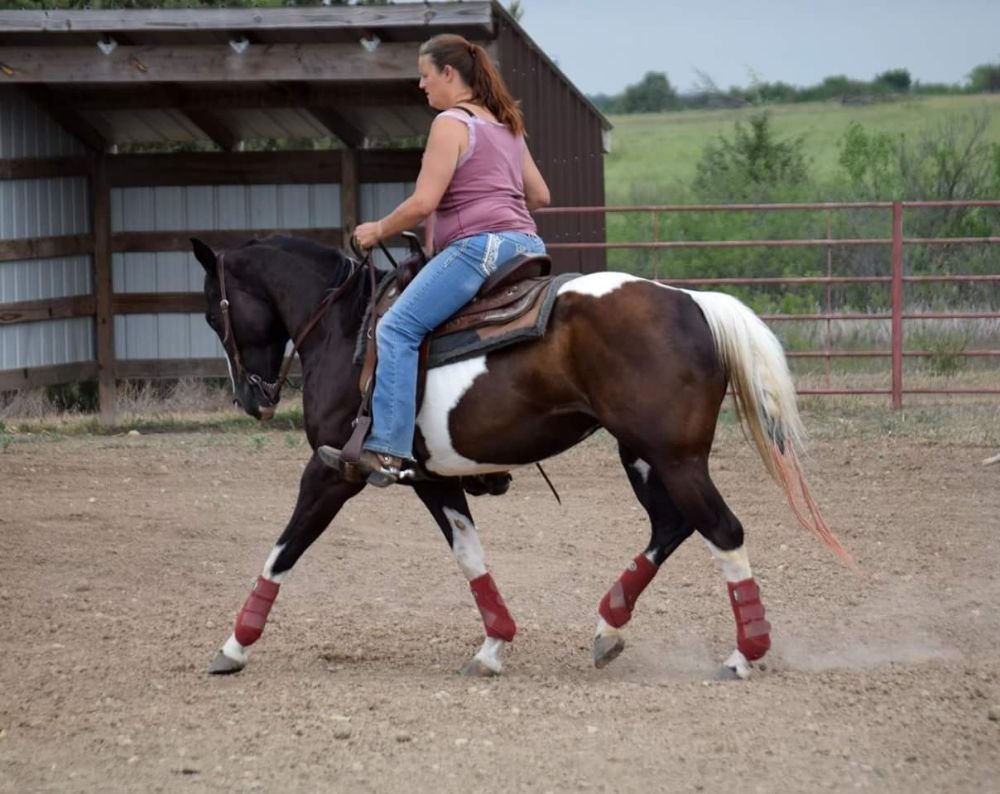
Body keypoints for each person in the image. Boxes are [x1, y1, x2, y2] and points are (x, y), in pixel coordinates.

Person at [318, 33, 551, 486]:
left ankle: (387, 449)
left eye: (425, 76)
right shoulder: (507, 125)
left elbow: (424, 203)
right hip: (527, 246)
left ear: (448, 74)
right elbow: (539, 195)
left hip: (477, 250)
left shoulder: (451, 123)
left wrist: (376, 230)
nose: (421, 86)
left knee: (397, 328)